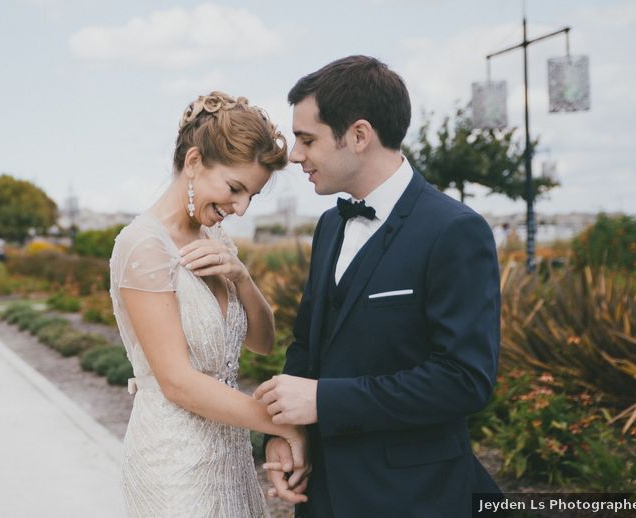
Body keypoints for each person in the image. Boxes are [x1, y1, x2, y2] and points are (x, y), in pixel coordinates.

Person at [255, 56, 502, 516]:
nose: (294, 154)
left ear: (360, 136)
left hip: (414, 497)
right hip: (322, 495)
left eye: (307, 139)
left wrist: (324, 401)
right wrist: (283, 436)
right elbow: (308, 345)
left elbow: (465, 380)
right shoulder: (329, 226)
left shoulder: (454, 231)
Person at [109, 91, 308, 517]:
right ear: (195, 162)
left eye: (250, 197)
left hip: (231, 454)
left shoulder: (214, 238)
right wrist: (282, 424)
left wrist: (242, 276)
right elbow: (178, 382)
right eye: (235, 188)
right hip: (173, 464)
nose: (239, 208)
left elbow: (263, 342)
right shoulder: (143, 245)